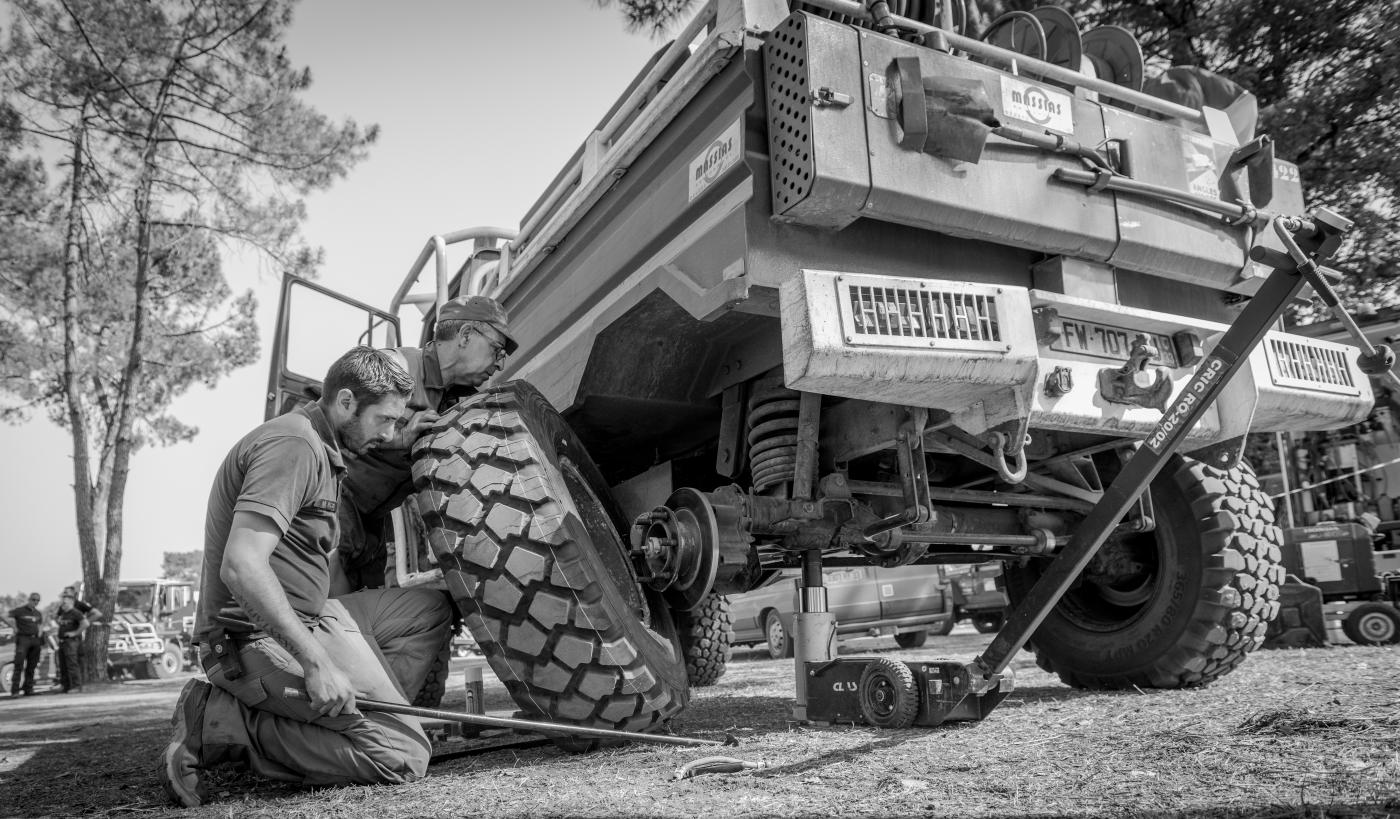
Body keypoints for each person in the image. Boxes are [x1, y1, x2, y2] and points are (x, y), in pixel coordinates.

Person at [158, 346, 454, 807]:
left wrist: (346, 652)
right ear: (347, 402)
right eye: (386, 421)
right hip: (249, 639)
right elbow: (241, 564)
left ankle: (344, 718)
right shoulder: (294, 446)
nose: (392, 433)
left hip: (310, 618)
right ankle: (220, 721)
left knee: (427, 608)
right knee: (405, 755)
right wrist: (317, 664)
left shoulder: (324, 445)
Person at [338, 295, 517, 588]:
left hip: (373, 526)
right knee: (326, 614)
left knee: (364, 615)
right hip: (336, 505)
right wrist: (401, 437)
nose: (499, 364)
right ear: (466, 335)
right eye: (497, 349)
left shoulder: (457, 399)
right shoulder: (396, 366)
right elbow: (335, 418)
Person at [5, 593, 44, 697]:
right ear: (29, 599)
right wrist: (14, 627)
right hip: (23, 639)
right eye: (33, 599)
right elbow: (7, 616)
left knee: (32, 666)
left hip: (35, 640)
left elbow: (40, 624)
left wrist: (39, 633)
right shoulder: (20, 610)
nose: (35, 602)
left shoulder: (38, 613)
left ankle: (28, 689)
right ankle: (15, 691)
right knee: (19, 665)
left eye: (37, 600)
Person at [53, 593, 88, 693]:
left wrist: (75, 633)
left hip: (71, 642)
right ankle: (66, 686)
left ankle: (76, 686)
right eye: (62, 602)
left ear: (71, 602)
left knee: (72, 665)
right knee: (63, 665)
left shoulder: (75, 612)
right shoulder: (64, 614)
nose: (63, 604)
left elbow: (85, 623)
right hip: (62, 642)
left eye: (65, 602)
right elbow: (57, 621)